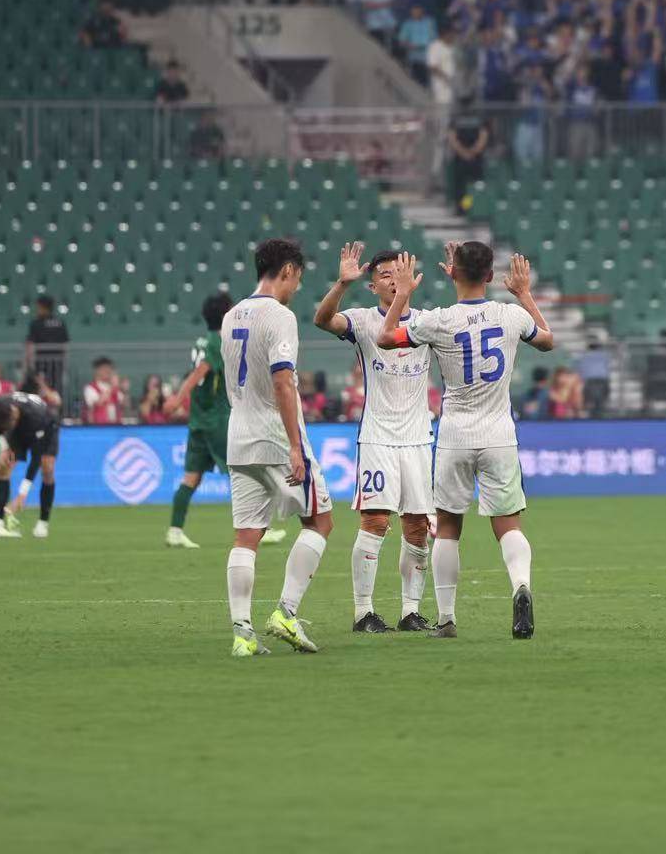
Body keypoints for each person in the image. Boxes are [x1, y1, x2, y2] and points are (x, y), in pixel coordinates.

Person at [374, 241, 556, 640]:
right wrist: (524, 294)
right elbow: (547, 340)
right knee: (508, 524)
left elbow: (386, 337)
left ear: (452, 272)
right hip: (499, 435)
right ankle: (520, 586)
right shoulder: (510, 315)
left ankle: (446, 619)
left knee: (450, 529)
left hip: (455, 435)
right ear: (491, 277)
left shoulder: (438, 320)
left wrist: (403, 292)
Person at [313, 243, 438, 633]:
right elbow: (322, 320)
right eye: (385, 274)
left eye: (399, 271)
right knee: (376, 521)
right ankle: (363, 612)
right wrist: (341, 283)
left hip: (418, 438)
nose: (393, 279)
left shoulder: (426, 322)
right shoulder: (363, 319)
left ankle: (410, 611)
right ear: (372, 287)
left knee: (418, 526)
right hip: (378, 437)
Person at [219, 238, 334, 657]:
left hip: (239, 436)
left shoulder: (231, 316)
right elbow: (283, 380)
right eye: (298, 278)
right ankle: (286, 611)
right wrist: (294, 446)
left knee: (246, 536)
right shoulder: (280, 316)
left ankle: (241, 633)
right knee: (320, 521)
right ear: (286, 270)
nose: (297, 287)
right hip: (273, 435)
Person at [161, 291, 282, 550]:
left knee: (191, 478)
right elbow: (202, 370)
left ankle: (174, 530)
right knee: (243, 473)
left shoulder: (201, 341)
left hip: (198, 420)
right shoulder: (217, 342)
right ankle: (262, 528)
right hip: (216, 421)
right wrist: (177, 398)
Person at [0, 379, 63, 540]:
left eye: (11, 422)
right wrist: (4, 447)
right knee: (3, 466)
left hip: (46, 428)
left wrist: (21, 496)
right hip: (18, 433)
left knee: (47, 468)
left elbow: (36, 459)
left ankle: (43, 522)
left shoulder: (36, 416)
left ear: (14, 412)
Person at [445, 103, 490, 212]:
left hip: (472, 158)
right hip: (465, 158)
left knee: (473, 187)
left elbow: (483, 136)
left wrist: (469, 152)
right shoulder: (456, 118)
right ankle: (464, 208)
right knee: (461, 187)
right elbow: (451, 137)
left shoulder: (479, 118)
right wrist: (468, 152)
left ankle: (471, 208)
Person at [24, 294, 69, 392]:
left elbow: (30, 345)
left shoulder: (36, 323)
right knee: (56, 389)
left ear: (43, 307)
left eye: (38, 307)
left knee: (41, 389)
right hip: (57, 365)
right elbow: (65, 346)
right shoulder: (60, 323)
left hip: (41, 366)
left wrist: (28, 364)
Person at [83, 358, 130, 425]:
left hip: (115, 426)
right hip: (98, 427)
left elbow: (125, 405)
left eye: (110, 369)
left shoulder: (115, 389)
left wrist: (125, 391)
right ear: (98, 371)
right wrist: (112, 386)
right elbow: (98, 403)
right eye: (105, 369)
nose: (108, 372)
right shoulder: (90, 388)